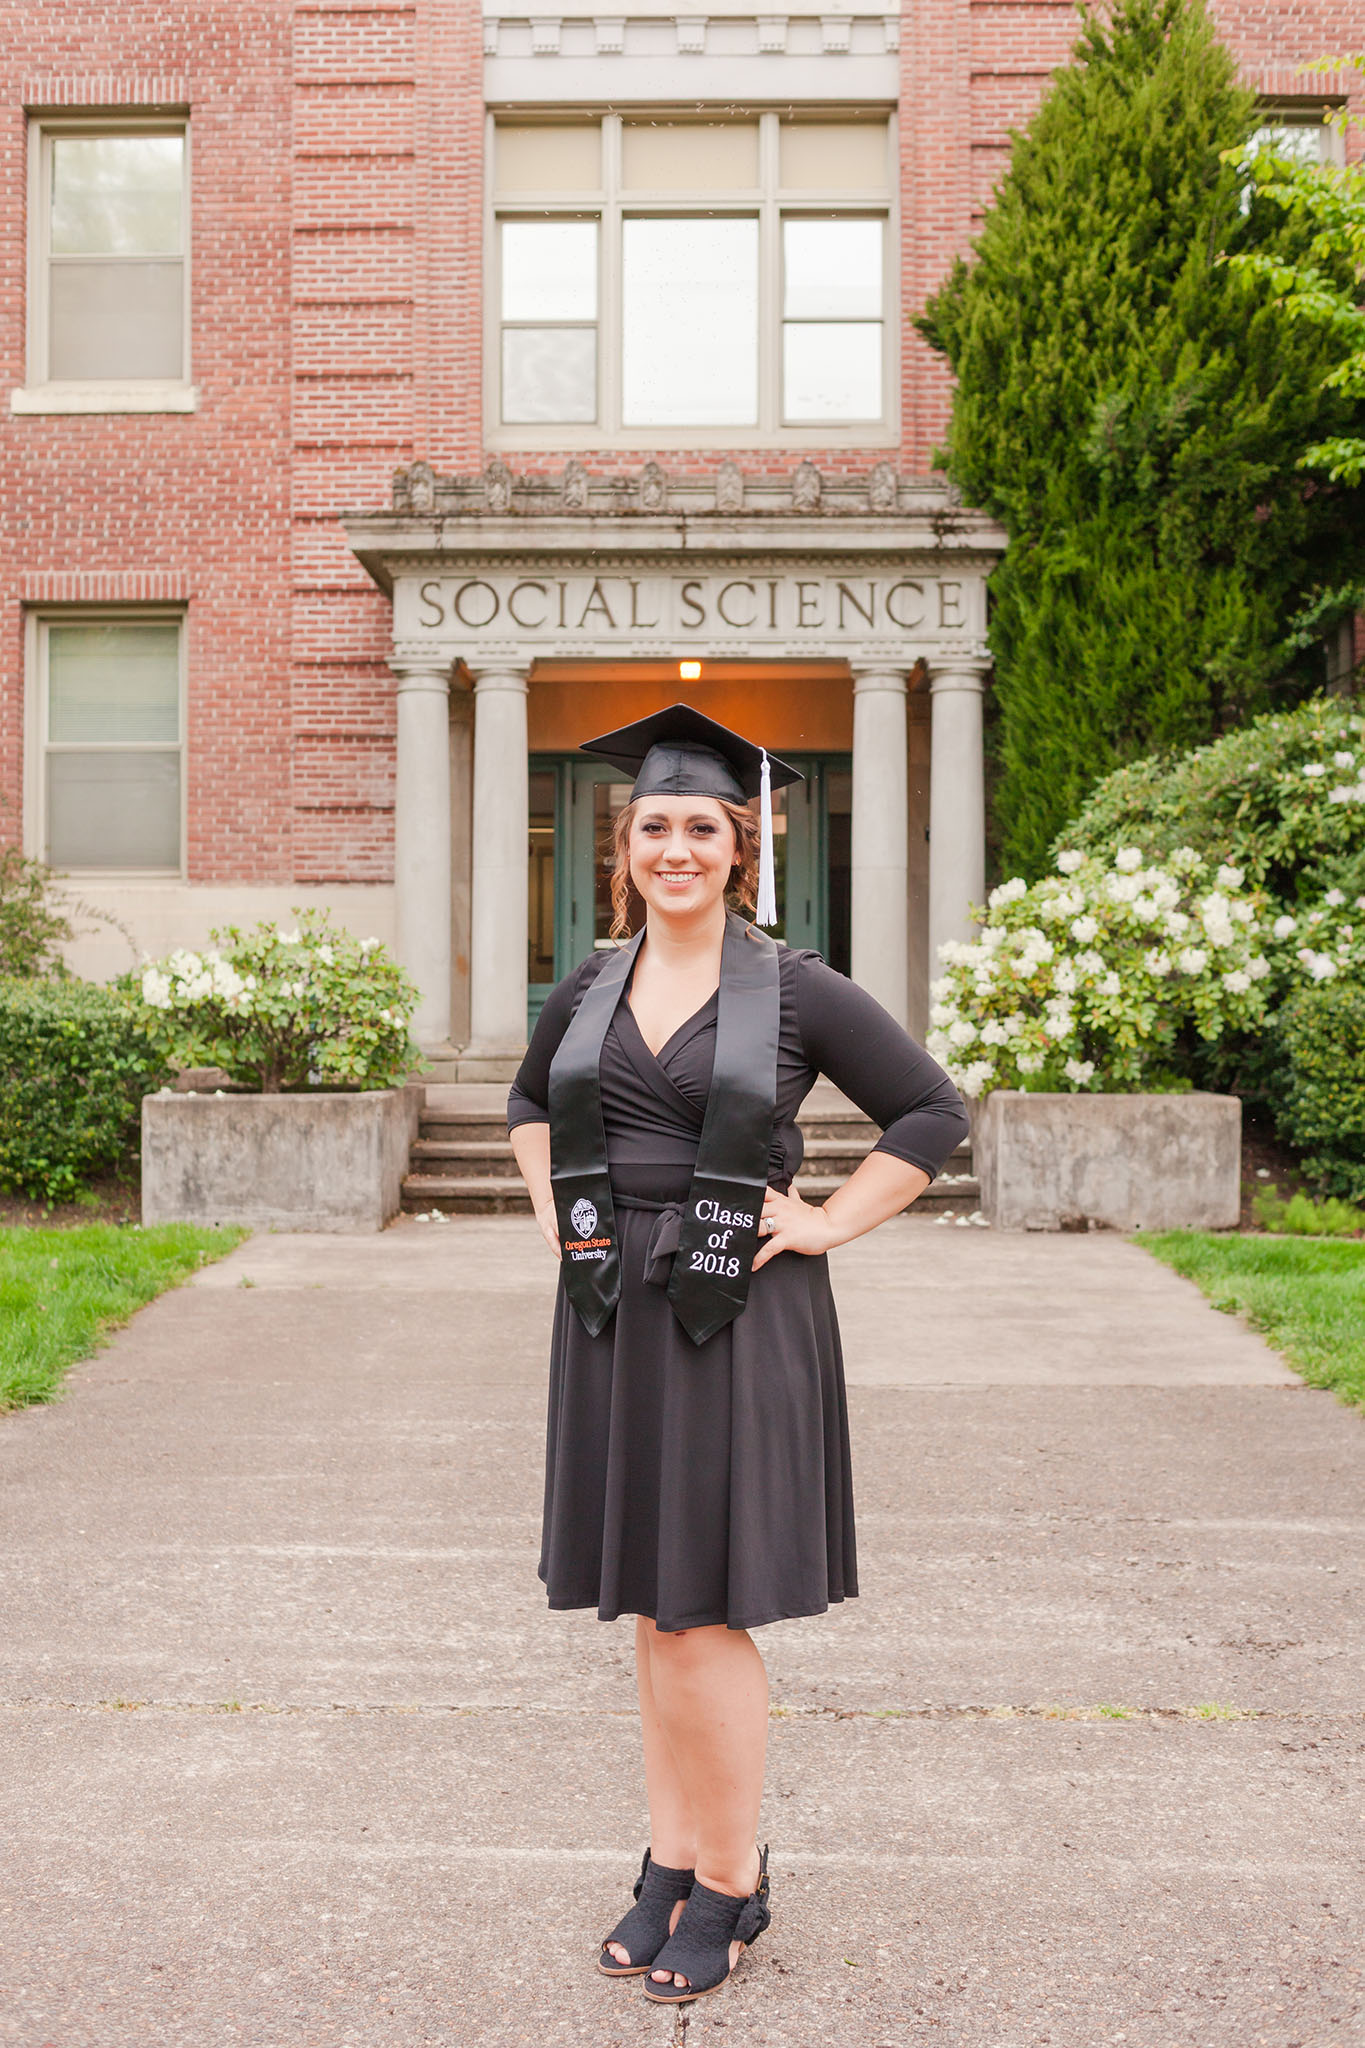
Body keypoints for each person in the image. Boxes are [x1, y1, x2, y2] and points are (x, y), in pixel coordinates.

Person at [506, 703, 969, 2006]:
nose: (673, 847)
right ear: (624, 845)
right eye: (652, 826)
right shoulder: (590, 984)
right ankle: (667, 1864)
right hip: (610, 1310)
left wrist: (823, 1221)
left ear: (738, 844)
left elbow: (930, 1111)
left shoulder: (795, 987)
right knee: (652, 1610)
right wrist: (556, 1212)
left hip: (735, 1310)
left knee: (703, 1609)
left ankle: (729, 1884)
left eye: (698, 827)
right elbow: (528, 1104)